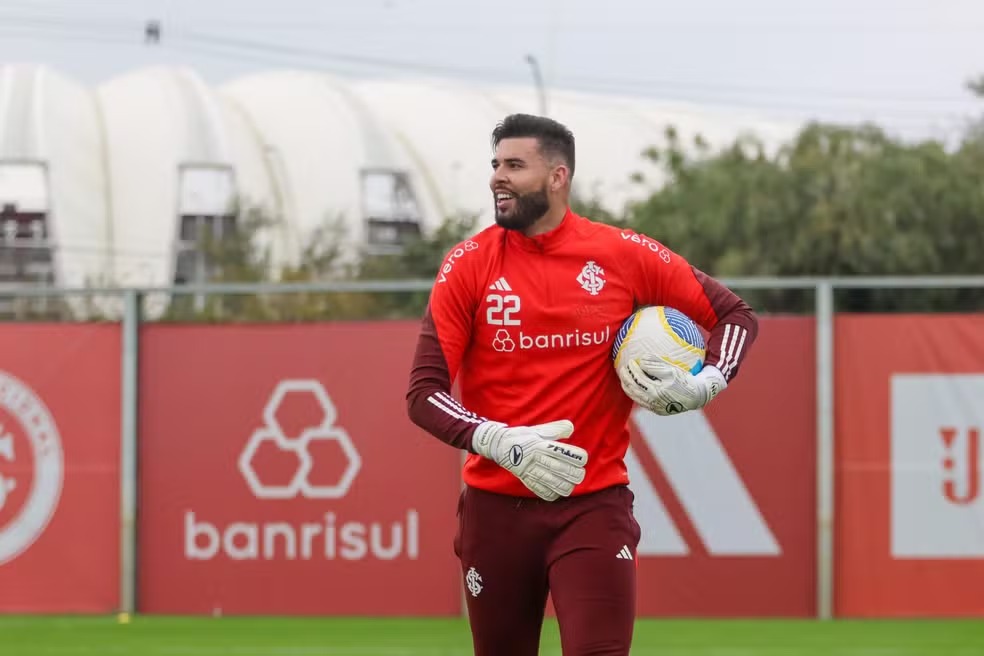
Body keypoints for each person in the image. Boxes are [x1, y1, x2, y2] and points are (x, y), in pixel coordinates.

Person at [406, 113, 758, 656]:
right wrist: (498, 440)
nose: (498, 176)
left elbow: (735, 315)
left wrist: (706, 382)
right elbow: (423, 394)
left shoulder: (622, 254)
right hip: (495, 512)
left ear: (557, 176)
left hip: (592, 506)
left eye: (515, 165)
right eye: (495, 164)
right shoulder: (468, 265)